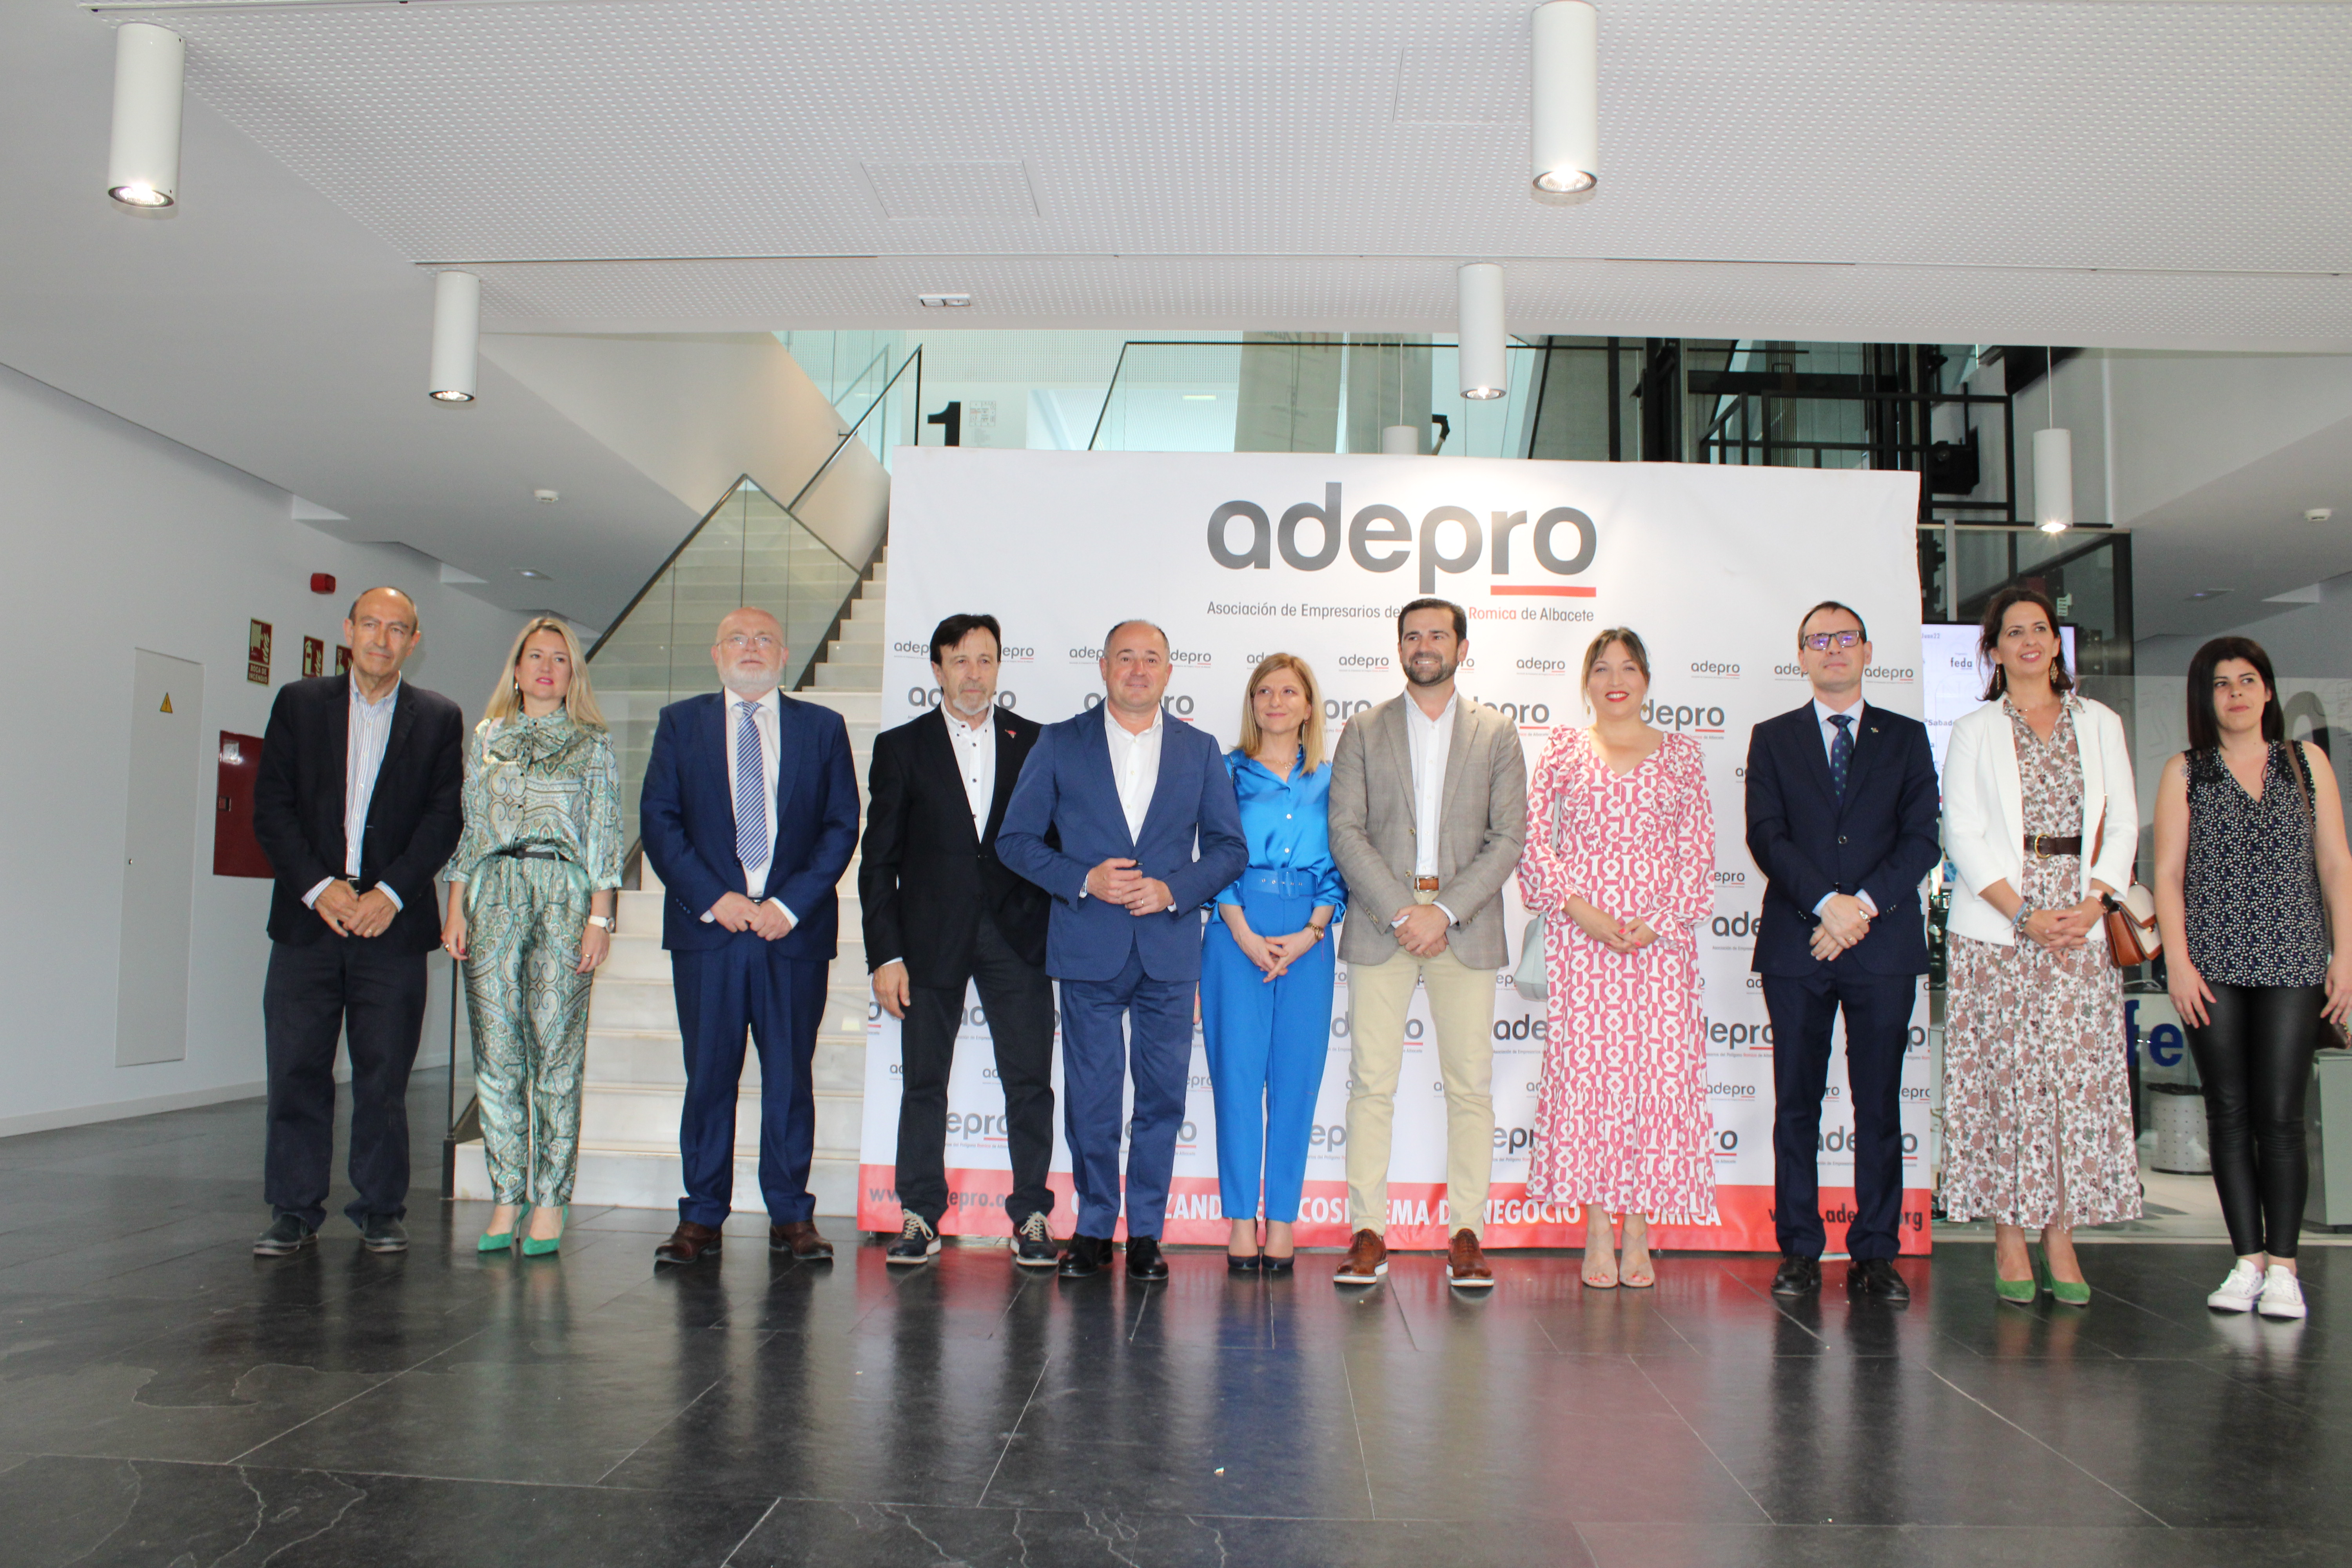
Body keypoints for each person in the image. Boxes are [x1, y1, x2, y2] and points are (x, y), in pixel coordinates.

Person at [996, 619, 1248, 1281]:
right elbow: (1016, 841)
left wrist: (1173, 890)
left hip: (1168, 951)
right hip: (1088, 949)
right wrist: (1084, 879)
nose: (1139, 670)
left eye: (1152, 659)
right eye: (1126, 657)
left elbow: (1230, 849)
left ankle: (1145, 1235)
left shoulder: (1200, 750)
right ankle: (1093, 1228)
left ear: (1170, 672)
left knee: (1162, 1100)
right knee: (1092, 1100)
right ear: (1104, 667)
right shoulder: (1059, 743)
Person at [638, 607, 859, 1266]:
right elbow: (660, 821)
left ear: (785, 654)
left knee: (790, 1079)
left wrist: (787, 905)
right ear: (716, 653)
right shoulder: (680, 724)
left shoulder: (823, 728)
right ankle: (701, 1215)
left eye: (765, 639)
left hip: (791, 934)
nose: (751, 647)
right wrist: (715, 899)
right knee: (709, 1077)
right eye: (737, 638)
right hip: (711, 934)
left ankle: (791, 1214)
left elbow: (842, 825)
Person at [249, 586, 465, 1256]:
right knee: (296, 1071)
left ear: (413, 642)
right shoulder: (298, 704)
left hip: (391, 928)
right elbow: (272, 809)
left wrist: (391, 894)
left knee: (384, 1077)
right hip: (308, 923)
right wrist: (321, 889)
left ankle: (380, 1208)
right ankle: (293, 1209)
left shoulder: (439, 718)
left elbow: (444, 819)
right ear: (347, 630)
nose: (381, 638)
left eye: (397, 629)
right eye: (370, 624)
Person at [1940, 586, 2140, 1303]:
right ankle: (2008, 1232)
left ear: (2057, 644)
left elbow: (2123, 822)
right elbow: (1961, 831)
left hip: (2080, 925)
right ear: (1993, 650)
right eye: (2013, 632)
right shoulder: (1975, 729)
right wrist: (2024, 915)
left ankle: (2060, 1232)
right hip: (2000, 927)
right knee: (2004, 1080)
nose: (2029, 641)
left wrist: (2093, 904)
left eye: (2040, 629)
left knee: (2071, 1084)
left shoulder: (2101, 722)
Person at [1743, 602, 1941, 1302]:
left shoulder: (1906, 738)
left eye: (1845, 638)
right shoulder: (1773, 738)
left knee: (1879, 1105)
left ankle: (1875, 1253)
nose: (1833, 649)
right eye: (1818, 640)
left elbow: (1922, 839)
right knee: (1796, 1105)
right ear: (1801, 656)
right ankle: (1799, 1249)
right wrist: (1827, 904)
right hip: (1798, 946)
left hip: (1881, 948)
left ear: (1867, 651)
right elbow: (1767, 836)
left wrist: (1861, 907)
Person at [1328, 597, 1527, 1290]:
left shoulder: (1497, 733)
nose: (1424, 646)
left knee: (1470, 1087)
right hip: (1381, 926)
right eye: (1412, 636)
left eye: (1437, 635)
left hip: (1463, 928)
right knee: (1370, 1086)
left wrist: (1441, 912)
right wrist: (1400, 911)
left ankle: (1467, 1234)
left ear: (1462, 648)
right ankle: (1368, 1232)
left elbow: (1509, 837)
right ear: (1399, 648)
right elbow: (1345, 831)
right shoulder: (1363, 729)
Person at [2152, 637, 2352, 1320]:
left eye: (2246, 680)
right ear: (2205, 698)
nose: (2235, 693)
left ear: (2267, 691)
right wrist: (2178, 963)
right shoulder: (2186, 772)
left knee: (2282, 1116)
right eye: (2221, 683)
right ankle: (2247, 1261)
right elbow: (2168, 875)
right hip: (2211, 967)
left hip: (2295, 959)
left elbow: (2336, 866)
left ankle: (2286, 1269)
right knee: (2229, 1112)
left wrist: (2345, 956)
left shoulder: (2306, 763)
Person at [1518, 628, 1717, 1289]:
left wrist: (1656, 922)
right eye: (1602, 669)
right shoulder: (1563, 750)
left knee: (1654, 1085)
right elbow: (1533, 841)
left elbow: (1698, 851)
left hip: (1661, 948)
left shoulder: (1682, 755)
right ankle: (1598, 1230)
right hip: (1583, 943)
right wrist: (1583, 912)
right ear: (1587, 682)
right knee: (1590, 1086)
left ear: (1646, 680)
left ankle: (1639, 1232)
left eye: (1628, 668)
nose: (1615, 680)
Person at [860, 613, 1059, 1269]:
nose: (975, 674)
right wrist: (886, 954)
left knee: (1029, 1082)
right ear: (938, 669)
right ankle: (920, 1214)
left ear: (1000, 666)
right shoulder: (900, 747)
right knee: (924, 1083)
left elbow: (1055, 843)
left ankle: (1031, 1215)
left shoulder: (1037, 742)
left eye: (986, 660)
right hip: (926, 942)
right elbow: (878, 862)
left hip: (1017, 937)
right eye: (961, 661)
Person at [439, 617, 625, 1257]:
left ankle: (549, 1199)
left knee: (555, 1057)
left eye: (560, 659)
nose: (547, 668)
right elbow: (471, 827)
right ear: (517, 670)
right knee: (496, 1056)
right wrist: (456, 906)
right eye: (536, 656)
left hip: (563, 896)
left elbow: (604, 834)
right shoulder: (488, 736)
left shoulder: (592, 743)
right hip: (492, 894)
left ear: (573, 674)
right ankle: (505, 1194)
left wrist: (600, 918)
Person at [1201, 654, 1346, 1273]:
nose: (1276, 701)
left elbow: (1343, 861)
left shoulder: (1335, 778)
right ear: (1252, 703)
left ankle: (1282, 1219)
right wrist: (1241, 929)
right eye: (1265, 691)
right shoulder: (1224, 770)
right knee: (1237, 1078)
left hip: (1308, 934)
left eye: (1289, 691)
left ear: (1309, 706)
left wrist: (1313, 932)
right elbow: (1211, 851)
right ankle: (1241, 1219)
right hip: (1236, 928)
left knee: (1295, 1081)